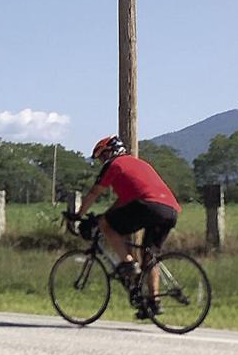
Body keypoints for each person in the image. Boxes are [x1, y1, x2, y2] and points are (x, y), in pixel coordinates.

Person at [68, 135, 181, 319]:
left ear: (112, 152)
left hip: (148, 205)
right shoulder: (140, 164)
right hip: (170, 210)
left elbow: (94, 192)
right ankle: (153, 303)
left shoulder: (114, 165)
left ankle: (128, 263)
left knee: (107, 225)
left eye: (103, 156)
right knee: (150, 256)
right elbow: (122, 201)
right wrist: (105, 215)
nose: (102, 161)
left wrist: (78, 216)